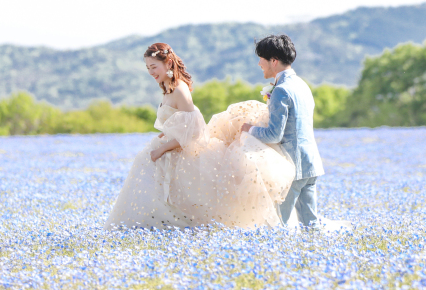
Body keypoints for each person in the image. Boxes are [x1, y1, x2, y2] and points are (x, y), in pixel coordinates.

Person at [104, 43, 295, 229]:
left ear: (168, 64)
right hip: (171, 147)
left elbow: (194, 131)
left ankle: (152, 228)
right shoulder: (168, 87)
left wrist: (162, 148)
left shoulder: (179, 89)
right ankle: (143, 227)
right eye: (148, 68)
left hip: (184, 151)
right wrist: (164, 138)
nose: (151, 72)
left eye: (154, 67)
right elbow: (178, 124)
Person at [241, 34, 325, 229]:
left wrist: (250, 129)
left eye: (261, 58)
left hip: (290, 166)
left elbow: (274, 135)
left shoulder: (281, 90)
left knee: (279, 225)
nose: (259, 63)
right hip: (310, 162)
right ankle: (312, 256)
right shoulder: (302, 85)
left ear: (274, 61)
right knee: (310, 224)